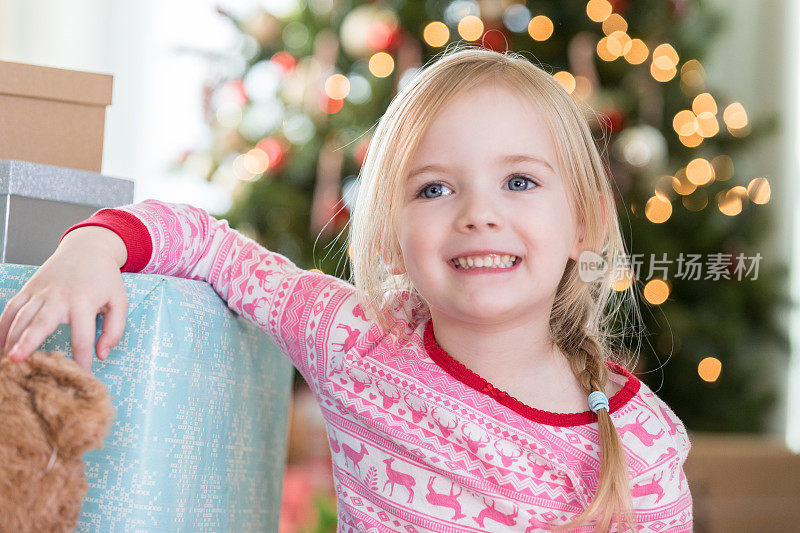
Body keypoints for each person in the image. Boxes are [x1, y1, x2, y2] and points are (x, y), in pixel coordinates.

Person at [0, 45, 692, 531]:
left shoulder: (644, 445)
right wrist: (95, 241)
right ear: (391, 237)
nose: (479, 213)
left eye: (519, 181)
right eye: (434, 187)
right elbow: (214, 246)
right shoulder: (357, 342)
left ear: (586, 223)